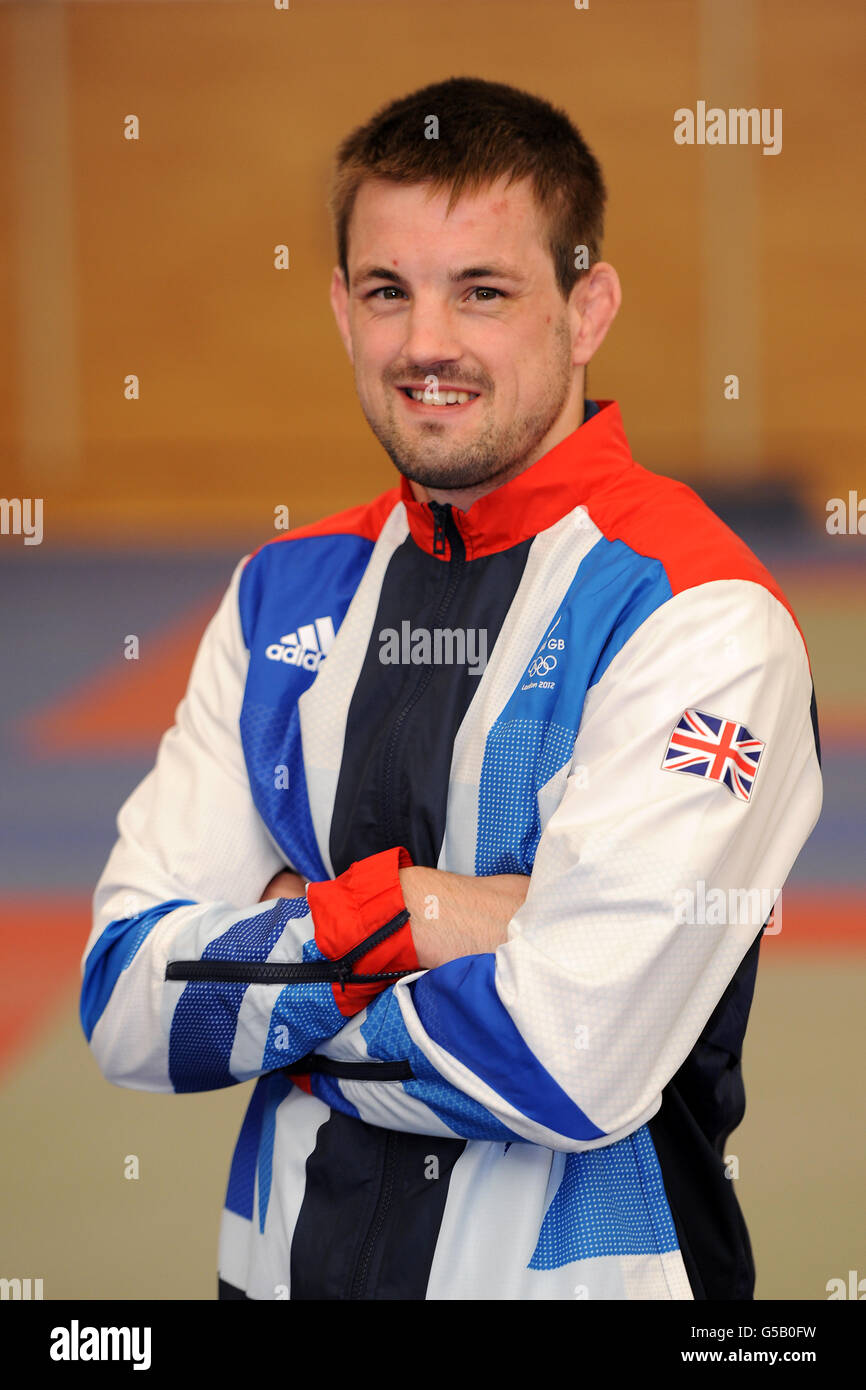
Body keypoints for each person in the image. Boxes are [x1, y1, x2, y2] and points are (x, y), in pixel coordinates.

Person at [80, 76, 823, 1301]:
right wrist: (431, 909)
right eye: (388, 291)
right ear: (339, 308)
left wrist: (283, 943)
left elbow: (565, 1059)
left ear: (586, 309)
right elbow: (125, 1000)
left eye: (482, 290)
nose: (426, 343)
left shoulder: (697, 612)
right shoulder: (283, 595)